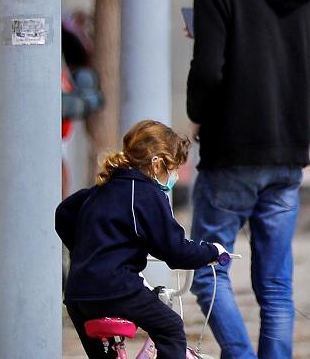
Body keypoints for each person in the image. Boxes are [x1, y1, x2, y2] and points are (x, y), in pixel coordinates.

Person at [187, 0, 310, 359]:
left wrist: (196, 118)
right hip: (288, 155)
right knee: (276, 286)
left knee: (208, 272)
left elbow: (208, 70)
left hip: (232, 154)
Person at [56, 119, 227, 359]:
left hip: (79, 294)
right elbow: (174, 250)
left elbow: (63, 213)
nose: (175, 175)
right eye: (173, 167)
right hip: (117, 290)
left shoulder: (101, 189)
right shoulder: (146, 193)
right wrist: (213, 252)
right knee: (171, 329)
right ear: (157, 164)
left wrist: (85, 250)